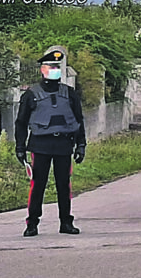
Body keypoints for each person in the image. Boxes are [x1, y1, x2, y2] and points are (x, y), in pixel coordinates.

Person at [15, 46, 87, 237]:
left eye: (57, 67)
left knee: (64, 185)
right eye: (50, 67)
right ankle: (32, 224)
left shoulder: (69, 93)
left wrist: (81, 145)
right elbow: (21, 122)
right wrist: (20, 147)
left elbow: (78, 120)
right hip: (40, 146)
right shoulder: (31, 95)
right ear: (42, 69)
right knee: (38, 185)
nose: (54, 70)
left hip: (64, 145)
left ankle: (66, 223)